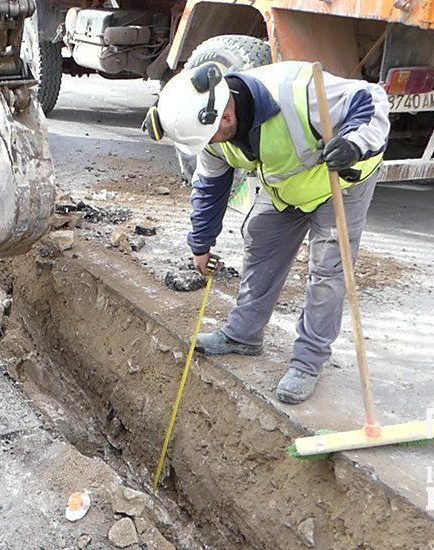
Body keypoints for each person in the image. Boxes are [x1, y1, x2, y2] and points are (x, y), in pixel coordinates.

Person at [143, 60, 390, 404]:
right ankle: (243, 335)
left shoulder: (297, 93)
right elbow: (210, 186)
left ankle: (308, 362)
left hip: (342, 182)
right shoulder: (210, 131)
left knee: (328, 269)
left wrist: (354, 143)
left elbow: (372, 99)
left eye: (211, 137)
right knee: (259, 237)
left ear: (225, 117)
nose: (210, 144)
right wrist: (201, 244)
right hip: (288, 186)